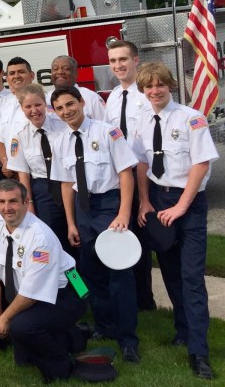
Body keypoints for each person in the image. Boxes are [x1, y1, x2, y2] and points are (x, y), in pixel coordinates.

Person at [132, 62, 218, 380]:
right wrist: (144, 200)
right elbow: (141, 163)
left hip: (189, 204)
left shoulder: (191, 118)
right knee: (170, 274)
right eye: (149, 87)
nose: (155, 91)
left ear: (171, 86)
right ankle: (183, 330)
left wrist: (182, 206)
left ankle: (199, 352)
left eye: (160, 85)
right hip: (159, 200)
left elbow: (201, 164)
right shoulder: (143, 119)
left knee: (192, 278)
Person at [49, 86, 140, 363]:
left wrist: (123, 213)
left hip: (110, 205)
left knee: (120, 274)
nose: (67, 111)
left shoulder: (108, 132)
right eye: (60, 108)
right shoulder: (60, 140)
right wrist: (71, 223)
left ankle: (128, 338)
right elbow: (66, 183)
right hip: (83, 209)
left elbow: (125, 173)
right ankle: (104, 326)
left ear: (81, 103)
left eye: (70, 104)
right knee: (90, 273)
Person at [0, 179, 87, 382]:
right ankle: (73, 337)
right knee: (23, 359)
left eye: (13, 201)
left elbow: (31, 293)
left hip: (73, 289)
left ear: (26, 202)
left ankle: (61, 365)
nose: (7, 208)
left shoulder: (40, 237)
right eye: (2, 202)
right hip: (41, 288)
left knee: (21, 326)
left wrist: (5, 320)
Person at [105, 39, 156, 311]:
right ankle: (130, 298)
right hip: (120, 178)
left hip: (144, 177)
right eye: (113, 61)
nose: (118, 66)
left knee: (144, 239)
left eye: (122, 59)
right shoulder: (113, 97)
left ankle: (145, 300)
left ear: (136, 60)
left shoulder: (148, 95)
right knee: (125, 236)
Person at [6, 84, 70, 253]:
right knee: (53, 240)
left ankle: (80, 280)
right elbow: (24, 175)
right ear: (21, 108)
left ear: (45, 104)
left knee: (76, 237)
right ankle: (62, 279)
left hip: (70, 185)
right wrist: (30, 204)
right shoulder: (20, 137)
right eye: (28, 106)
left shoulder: (63, 126)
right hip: (43, 192)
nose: (34, 110)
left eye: (38, 104)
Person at [0, 57, 36, 175]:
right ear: (7, 79)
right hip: (13, 173)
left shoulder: (43, 103)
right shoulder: (6, 106)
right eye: (12, 73)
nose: (16, 76)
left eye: (21, 72)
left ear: (32, 75)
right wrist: (5, 162)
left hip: (36, 174)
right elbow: (0, 139)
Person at [45, 55, 106, 121]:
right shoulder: (45, 99)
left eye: (66, 68)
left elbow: (105, 126)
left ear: (76, 73)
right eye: (55, 69)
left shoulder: (91, 98)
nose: (59, 72)